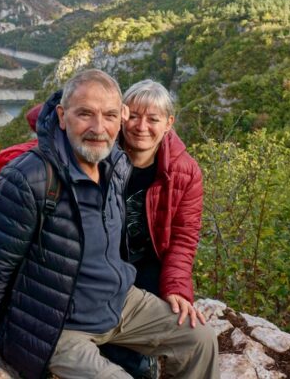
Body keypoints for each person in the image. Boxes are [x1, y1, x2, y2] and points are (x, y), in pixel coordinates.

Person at [0, 69, 218, 379]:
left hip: (119, 302)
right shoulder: (30, 179)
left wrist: (177, 288)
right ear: (62, 116)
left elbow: (183, 237)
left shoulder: (115, 163)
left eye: (108, 115)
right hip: (56, 324)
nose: (98, 127)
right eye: (85, 114)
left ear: (120, 117)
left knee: (201, 340)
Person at [100, 79, 209, 376]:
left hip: (149, 263)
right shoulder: (100, 151)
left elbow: (184, 239)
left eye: (153, 119)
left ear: (169, 123)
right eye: (133, 116)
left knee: (146, 331)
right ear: (121, 115)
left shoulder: (184, 171)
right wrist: (96, 104)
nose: (141, 126)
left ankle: (142, 366)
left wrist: (177, 288)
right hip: (104, 261)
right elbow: (41, 119)